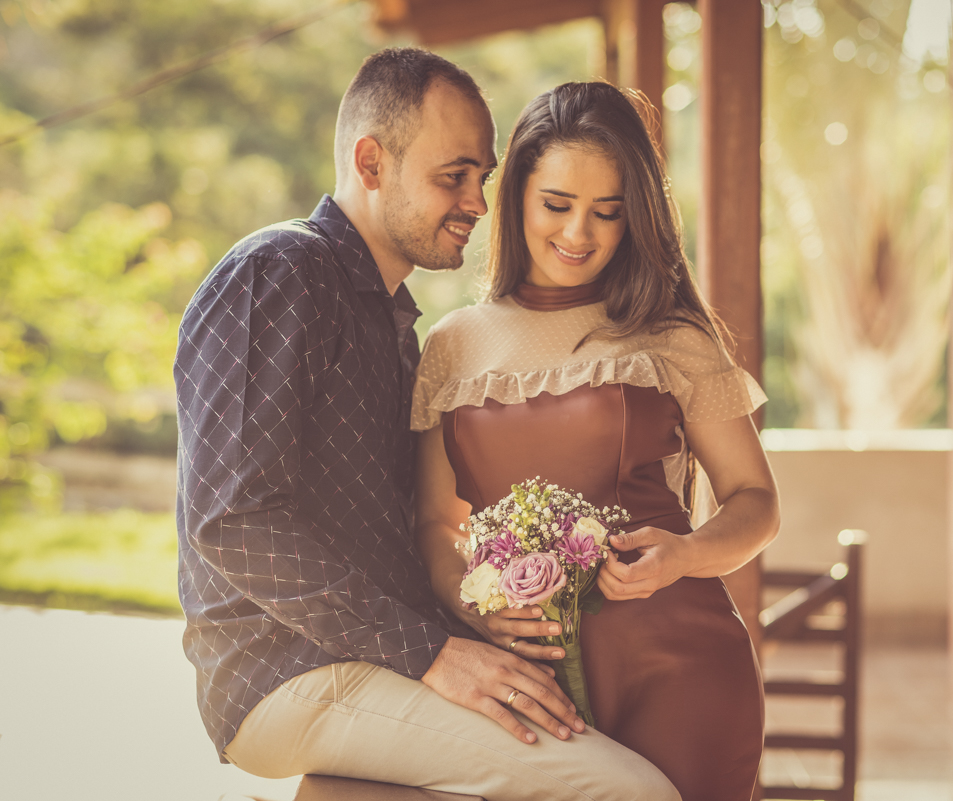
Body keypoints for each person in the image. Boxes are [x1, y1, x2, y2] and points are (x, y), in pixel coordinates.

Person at [174, 49, 679, 801]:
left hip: (367, 661)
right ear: (371, 163)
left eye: (482, 175)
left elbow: (414, 524)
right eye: (454, 176)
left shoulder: (393, 322)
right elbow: (234, 524)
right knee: (630, 791)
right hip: (283, 669)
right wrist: (435, 652)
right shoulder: (280, 272)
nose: (479, 201)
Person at [413, 82, 780, 801]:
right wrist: (471, 600)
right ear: (514, 195)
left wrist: (685, 554)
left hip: (680, 669)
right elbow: (434, 523)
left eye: (607, 213)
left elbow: (756, 502)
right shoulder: (452, 346)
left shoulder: (672, 337)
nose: (579, 234)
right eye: (557, 205)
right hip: (523, 683)